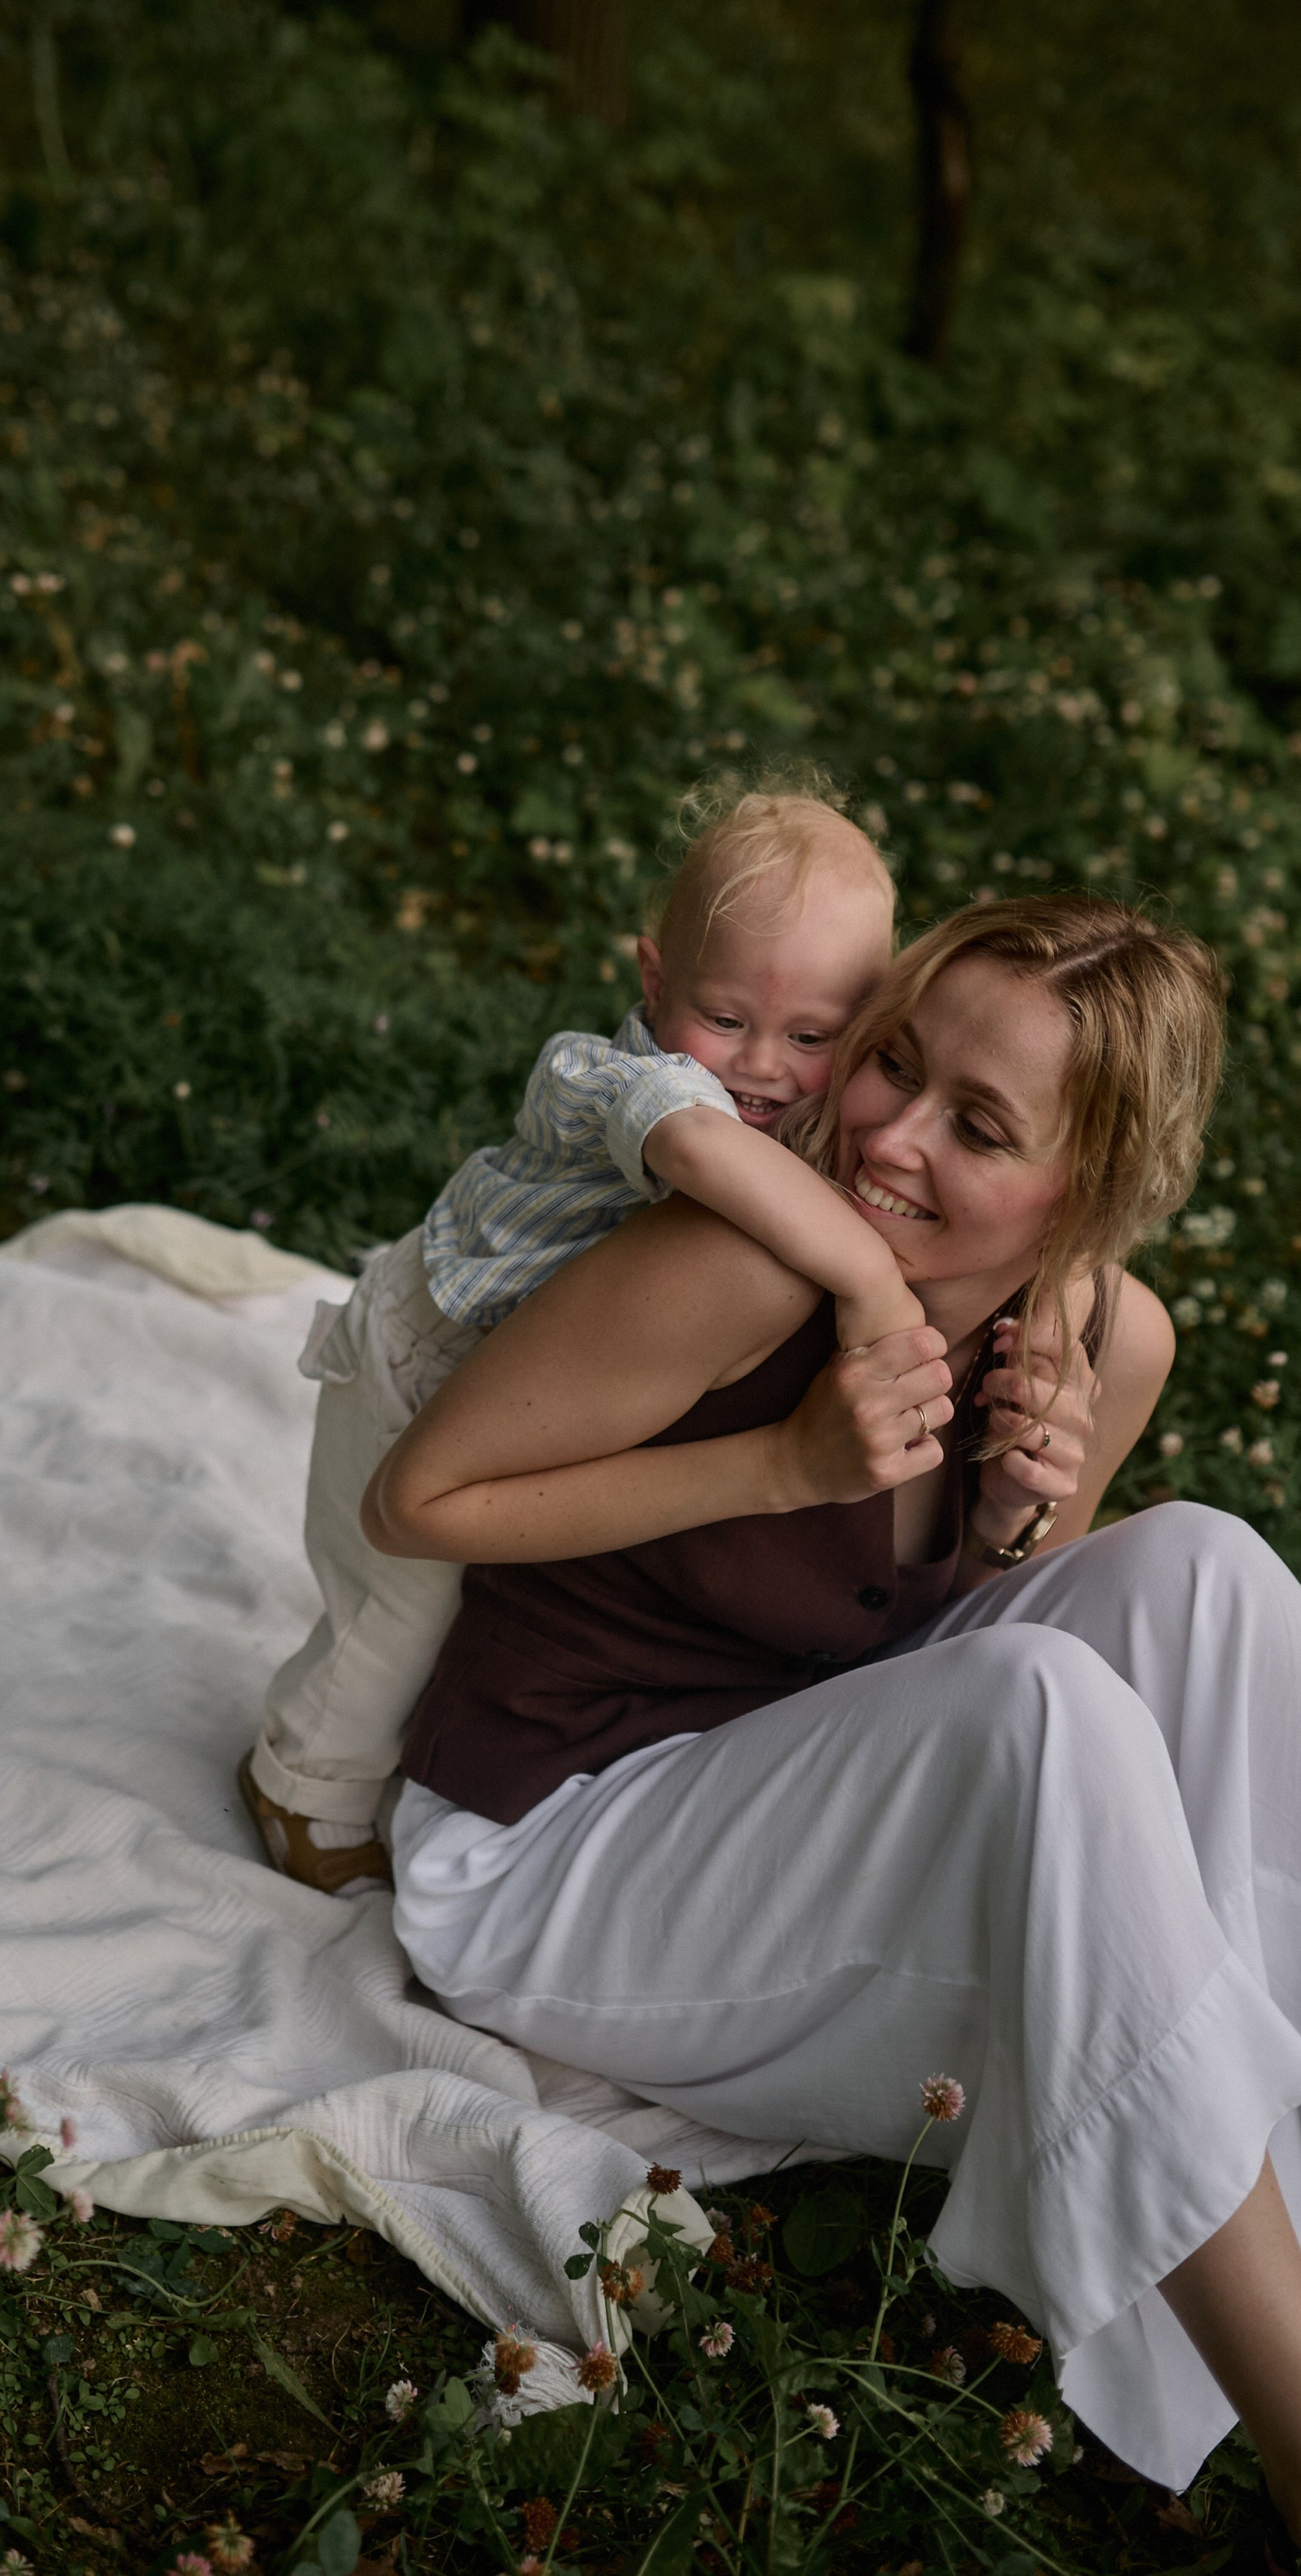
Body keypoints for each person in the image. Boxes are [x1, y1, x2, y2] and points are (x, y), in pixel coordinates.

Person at [361, 890, 1301, 2554]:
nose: (889, 1133)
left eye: (981, 1127)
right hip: (549, 1842)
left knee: (1204, 1569)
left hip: (783, 1769)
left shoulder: (1101, 1335)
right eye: (894, 1062)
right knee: (1041, 1704)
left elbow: (933, 1627)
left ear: (1085, 1191)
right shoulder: (742, 1266)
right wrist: (781, 1464)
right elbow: (417, 1499)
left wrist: (1013, 1523)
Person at [242, 780, 925, 1894]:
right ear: (655, 982)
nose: (761, 1065)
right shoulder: (622, 1081)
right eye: (725, 1018)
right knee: (400, 1603)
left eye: (812, 1035)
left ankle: (388, 1753)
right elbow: (699, 1150)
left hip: (533, 1392)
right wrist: (867, 1274)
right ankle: (301, 1780)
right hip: (422, 1359)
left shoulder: (800, 1108)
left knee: (474, 1592)